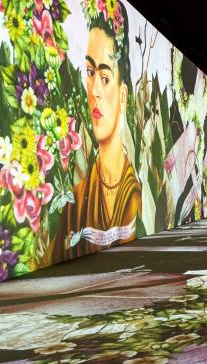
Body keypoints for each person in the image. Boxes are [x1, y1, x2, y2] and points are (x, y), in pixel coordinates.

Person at [49, 0, 141, 263]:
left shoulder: (134, 192)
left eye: (105, 77)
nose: (94, 91)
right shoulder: (77, 202)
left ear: (123, 95)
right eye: (89, 72)